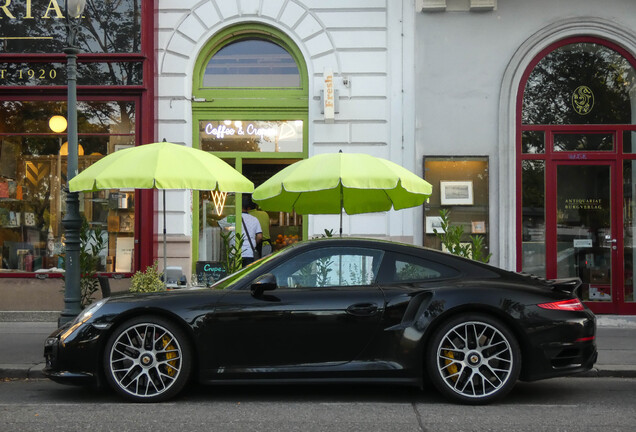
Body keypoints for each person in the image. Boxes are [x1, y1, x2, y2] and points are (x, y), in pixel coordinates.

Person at [240, 195, 262, 267]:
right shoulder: (254, 219)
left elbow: (218, 224)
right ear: (249, 208)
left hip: (235, 253)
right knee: (248, 276)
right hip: (249, 252)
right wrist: (253, 243)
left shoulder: (233, 218)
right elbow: (259, 236)